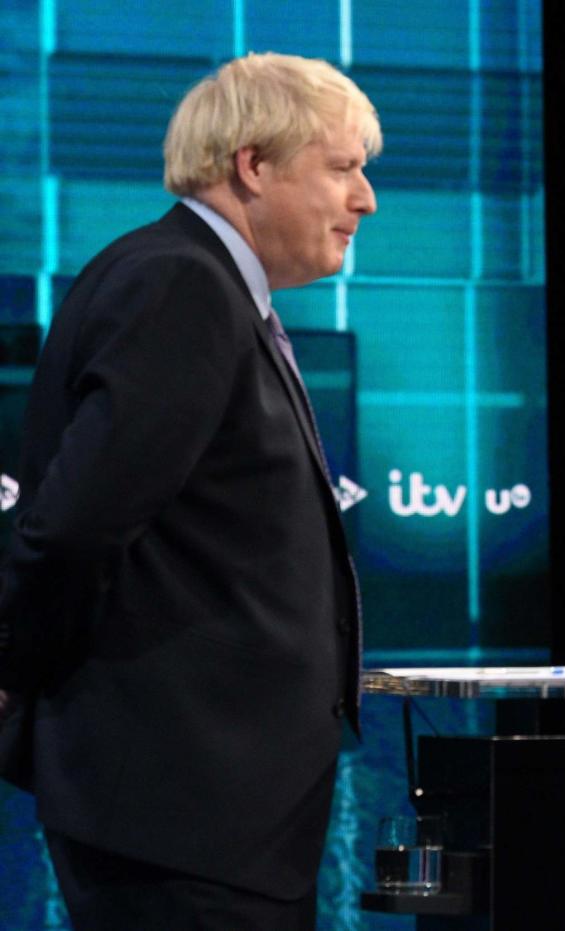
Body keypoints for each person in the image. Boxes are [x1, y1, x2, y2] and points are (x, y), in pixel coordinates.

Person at [0, 52, 379, 929]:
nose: (364, 200)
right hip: (180, 809)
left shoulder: (201, 285)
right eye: (344, 167)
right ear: (253, 163)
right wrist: (13, 665)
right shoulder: (181, 284)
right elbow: (75, 525)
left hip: (208, 813)